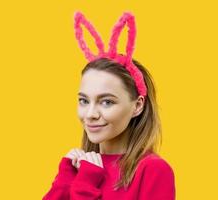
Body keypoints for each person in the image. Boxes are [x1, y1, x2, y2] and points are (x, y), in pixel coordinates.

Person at [42, 11, 175, 200]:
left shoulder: (153, 170)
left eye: (106, 102)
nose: (90, 114)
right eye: (84, 100)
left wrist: (85, 186)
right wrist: (64, 180)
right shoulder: (79, 167)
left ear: (137, 106)